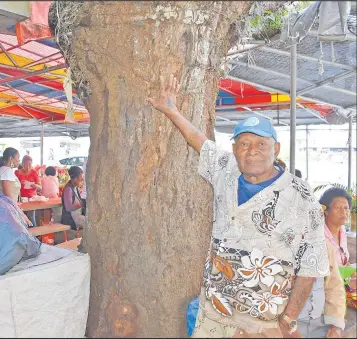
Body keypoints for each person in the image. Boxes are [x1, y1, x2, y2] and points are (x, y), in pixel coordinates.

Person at [147, 74, 329, 337]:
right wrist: (171, 110)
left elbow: (312, 264)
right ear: (234, 150)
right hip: (215, 311)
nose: (251, 150)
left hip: (264, 320)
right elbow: (198, 139)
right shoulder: (227, 170)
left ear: (275, 149)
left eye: (260, 144)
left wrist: (288, 318)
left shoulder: (301, 196)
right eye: (244, 143)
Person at [297, 239, 346, 338]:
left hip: (319, 324)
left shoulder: (323, 244)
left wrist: (336, 327)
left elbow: (334, 286)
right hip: (288, 326)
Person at [320, 187, 356, 289]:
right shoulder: (319, 236)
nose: (343, 212)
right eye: (338, 208)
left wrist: (353, 275)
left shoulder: (342, 230)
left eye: (346, 208)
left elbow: (344, 261)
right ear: (326, 211)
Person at [0, 147, 32, 227]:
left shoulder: (3, 169)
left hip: (2, 208)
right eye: (18, 158)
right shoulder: (7, 171)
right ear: (11, 158)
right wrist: (22, 215)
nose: (19, 161)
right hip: (6, 210)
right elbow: (8, 197)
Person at [15, 155, 41, 227]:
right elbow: (13, 185)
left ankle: (34, 235)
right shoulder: (17, 173)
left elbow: (40, 187)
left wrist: (35, 185)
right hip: (20, 198)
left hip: (32, 198)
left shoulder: (34, 172)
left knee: (31, 216)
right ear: (22, 164)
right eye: (26, 164)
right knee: (20, 217)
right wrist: (20, 183)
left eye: (30, 164)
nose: (28, 166)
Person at [61, 166, 86, 232]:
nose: (82, 180)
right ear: (75, 179)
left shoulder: (75, 187)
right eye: (81, 178)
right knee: (91, 223)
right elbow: (69, 208)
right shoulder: (68, 189)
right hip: (71, 218)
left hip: (77, 216)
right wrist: (82, 203)